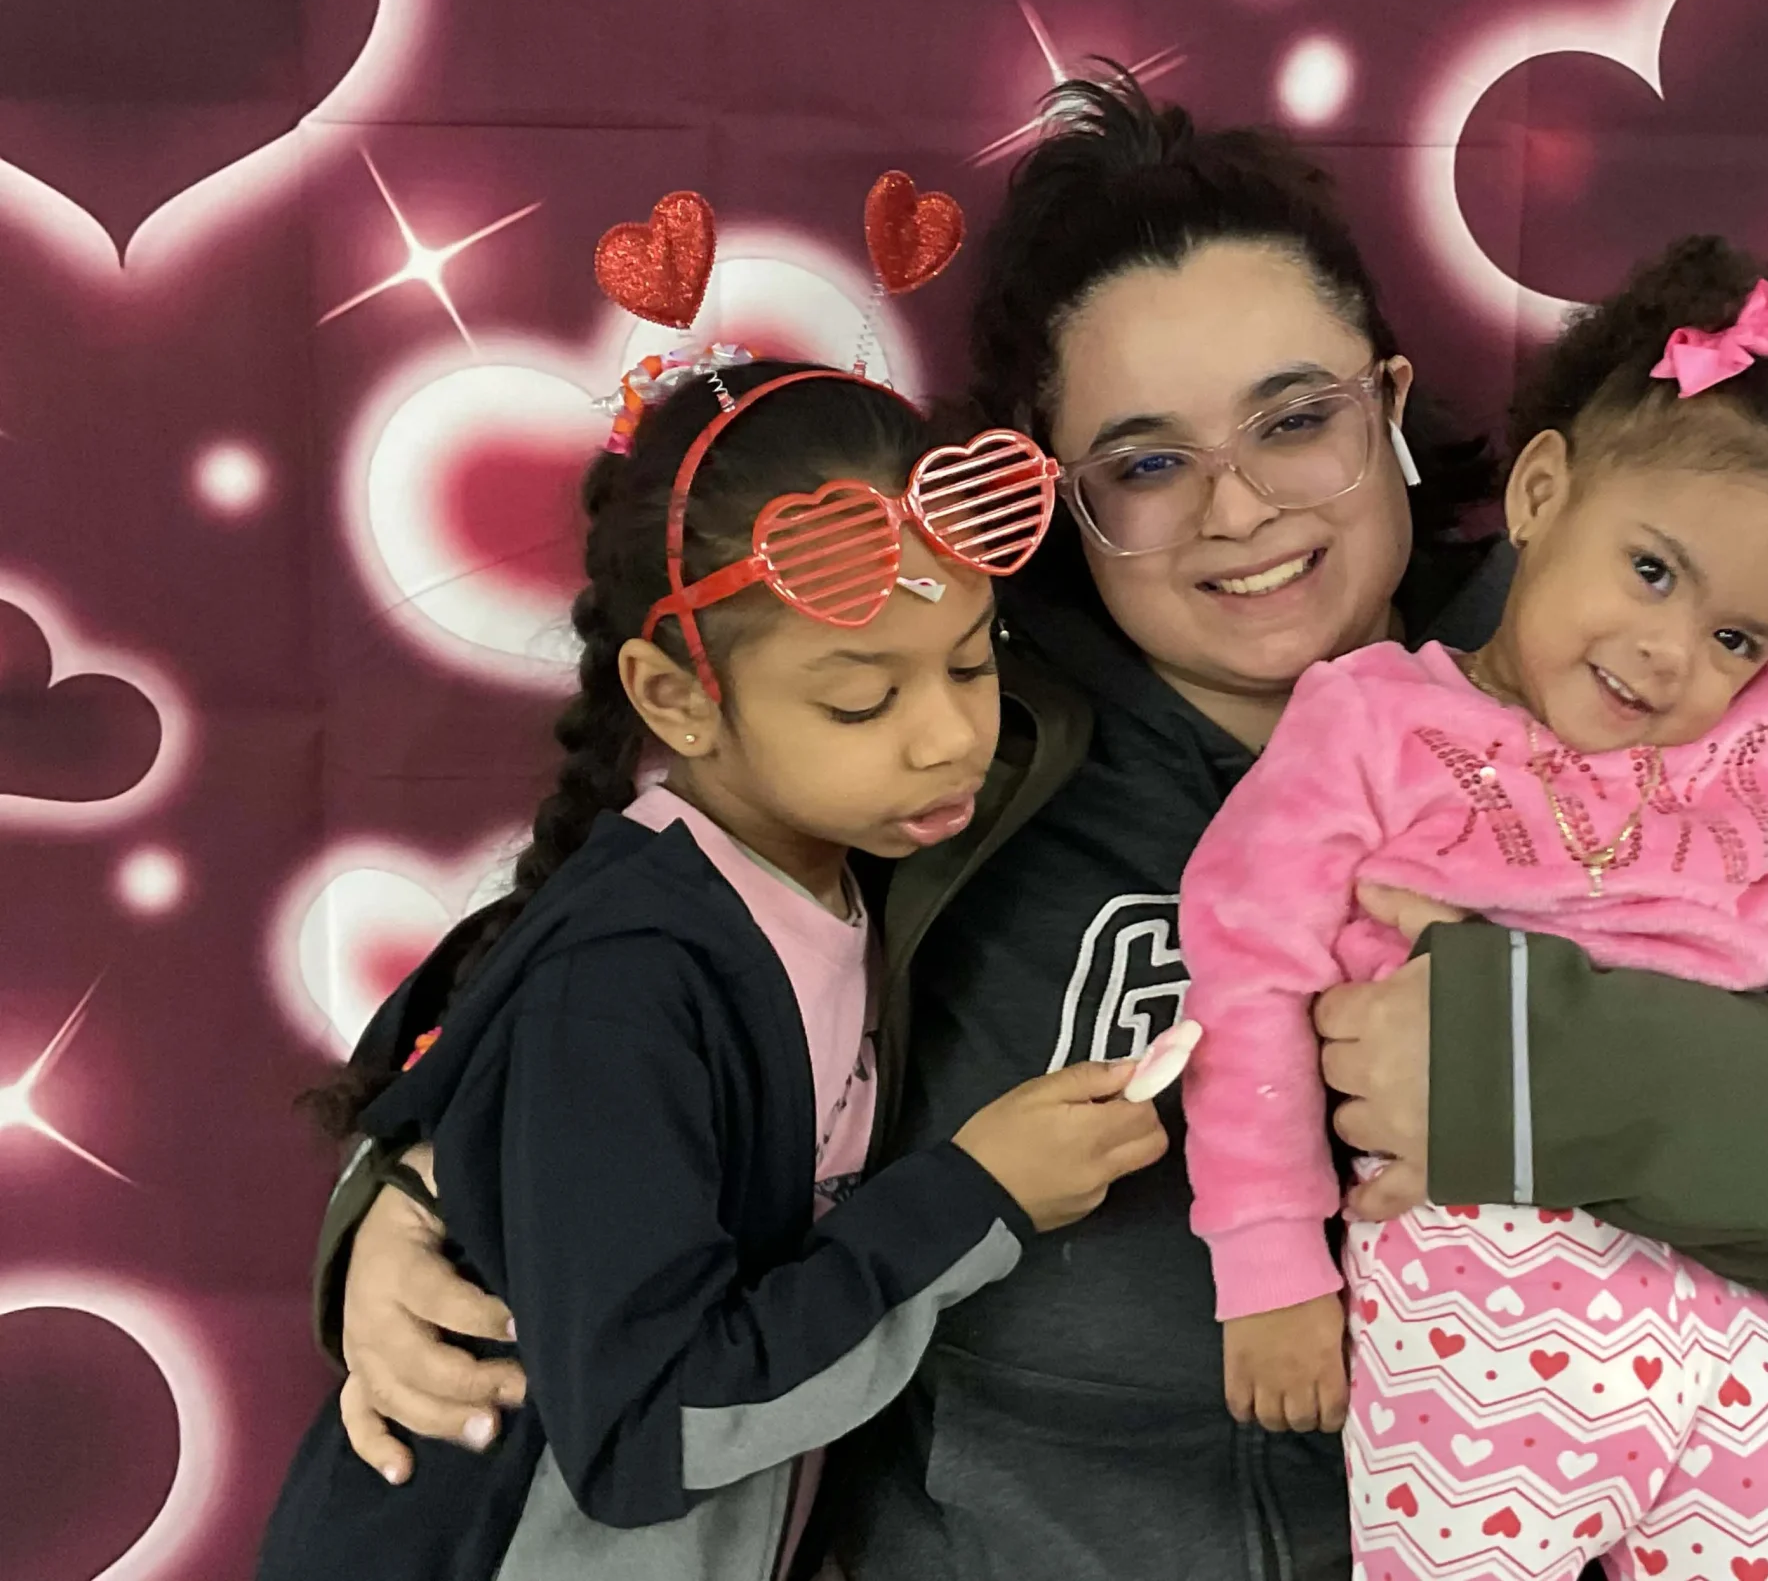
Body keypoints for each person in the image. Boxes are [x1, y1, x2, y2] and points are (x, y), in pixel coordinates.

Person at [309, 75, 1768, 1581]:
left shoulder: (1620, 703)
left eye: (1295, 420)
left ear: (1392, 406)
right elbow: (615, 966)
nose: (1240, 507)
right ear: (1059, 497)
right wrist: (407, 1194)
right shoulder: (958, 747)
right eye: (1148, 462)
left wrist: (1519, 1065)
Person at [1177, 238, 1768, 1581]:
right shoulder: (1370, 726)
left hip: (1720, 1270)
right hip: (1483, 1282)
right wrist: (1272, 1265)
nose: (1669, 652)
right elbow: (1249, 982)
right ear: (1540, 492)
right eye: (1650, 571)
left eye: (1737, 637)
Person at [259, 354, 1168, 1580]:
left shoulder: (845, 860)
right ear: (676, 700)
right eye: (861, 702)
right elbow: (649, 1429)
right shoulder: (623, 984)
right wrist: (977, 1198)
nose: (951, 736)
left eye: (971, 660)